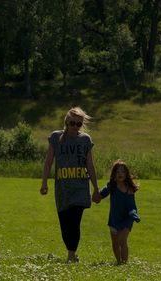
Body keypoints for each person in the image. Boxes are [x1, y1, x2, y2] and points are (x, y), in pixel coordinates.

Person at [40, 107, 101, 263]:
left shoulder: (85, 140)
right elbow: (48, 162)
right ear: (66, 122)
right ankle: (71, 252)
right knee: (65, 224)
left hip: (80, 188)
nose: (75, 127)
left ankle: (71, 255)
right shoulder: (56, 137)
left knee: (75, 222)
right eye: (72, 123)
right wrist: (44, 182)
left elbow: (90, 165)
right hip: (63, 189)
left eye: (78, 124)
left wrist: (96, 188)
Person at [98, 159, 140, 265]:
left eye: (122, 171)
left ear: (126, 174)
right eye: (117, 172)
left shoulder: (129, 189)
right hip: (114, 219)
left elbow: (132, 206)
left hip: (127, 219)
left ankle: (124, 264)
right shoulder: (111, 186)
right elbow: (100, 196)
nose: (120, 174)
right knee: (115, 244)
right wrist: (92, 196)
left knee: (122, 240)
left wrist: (133, 214)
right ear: (114, 174)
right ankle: (118, 262)